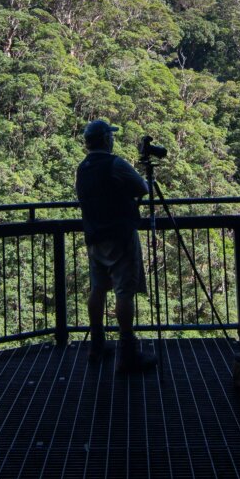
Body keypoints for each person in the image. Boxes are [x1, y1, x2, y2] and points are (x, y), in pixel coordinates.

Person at [75, 119, 157, 374]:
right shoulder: (115, 163)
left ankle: (96, 345)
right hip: (120, 236)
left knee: (98, 288)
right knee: (124, 291)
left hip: (95, 236)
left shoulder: (83, 168)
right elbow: (142, 187)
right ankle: (127, 353)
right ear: (106, 140)